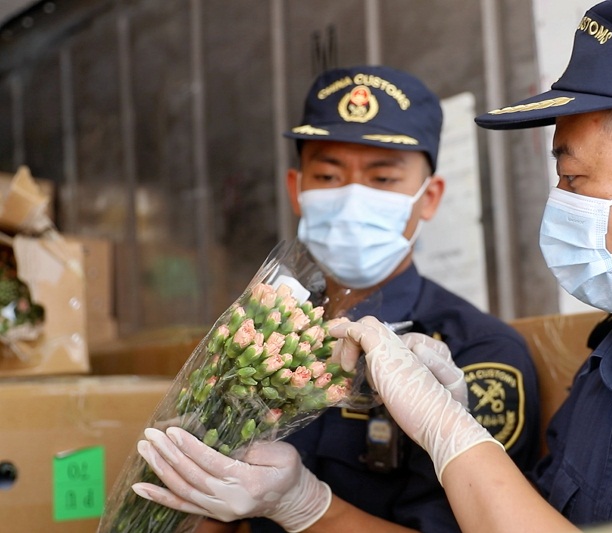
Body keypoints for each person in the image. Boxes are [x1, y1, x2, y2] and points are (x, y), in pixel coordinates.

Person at [133, 64, 540, 533]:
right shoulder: (256, 328)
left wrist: (305, 506)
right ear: (296, 189)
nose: (351, 199)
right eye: (328, 176)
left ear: (429, 199)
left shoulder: (474, 355)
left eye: (383, 179)